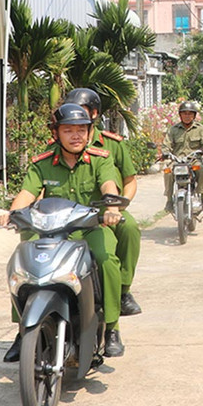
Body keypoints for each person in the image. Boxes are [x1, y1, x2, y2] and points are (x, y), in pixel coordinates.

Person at [0, 103, 126, 360]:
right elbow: (27, 193)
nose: (76, 135)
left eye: (81, 130)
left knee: (105, 259)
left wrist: (111, 207)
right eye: (68, 130)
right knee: (23, 259)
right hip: (53, 231)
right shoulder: (42, 163)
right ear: (57, 133)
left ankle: (112, 327)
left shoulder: (101, 158)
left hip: (90, 228)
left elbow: (109, 184)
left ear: (90, 132)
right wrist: (11, 215)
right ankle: (24, 330)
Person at [64, 87, 142, 317]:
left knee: (128, 227)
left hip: (108, 209)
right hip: (71, 212)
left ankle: (123, 290)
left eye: (82, 110)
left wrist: (119, 205)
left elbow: (130, 180)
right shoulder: (63, 142)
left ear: (95, 114)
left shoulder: (112, 144)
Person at [163, 100, 203, 212]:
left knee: (202, 169)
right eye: (184, 113)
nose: (187, 116)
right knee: (168, 171)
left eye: (190, 113)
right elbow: (167, 143)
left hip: (193, 159)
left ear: (194, 115)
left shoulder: (200, 129)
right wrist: (165, 152)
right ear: (180, 115)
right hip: (177, 160)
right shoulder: (173, 130)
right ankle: (169, 200)